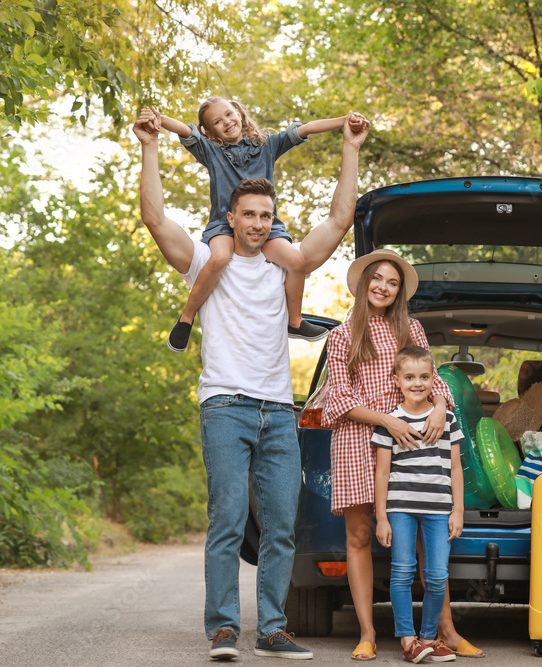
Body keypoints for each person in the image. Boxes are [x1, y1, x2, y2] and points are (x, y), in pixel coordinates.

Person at [133, 108, 370, 661]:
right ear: (231, 217)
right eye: (249, 215)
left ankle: (271, 630)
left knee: (282, 528)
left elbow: (339, 220)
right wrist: (149, 147)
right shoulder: (203, 264)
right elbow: (155, 218)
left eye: (267, 214)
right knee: (228, 518)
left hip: (279, 413)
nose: (259, 223)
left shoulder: (285, 266)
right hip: (226, 407)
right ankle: (222, 630)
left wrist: (350, 148)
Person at [322, 248, 485, 661]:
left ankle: (444, 630)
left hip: (413, 442)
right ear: (363, 284)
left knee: (424, 540)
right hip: (359, 440)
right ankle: (368, 633)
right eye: (377, 279)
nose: (383, 286)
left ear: (400, 292)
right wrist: (387, 421)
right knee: (359, 536)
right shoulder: (342, 335)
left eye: (392, 282)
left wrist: (441, 408)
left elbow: (437, 381)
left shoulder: (411, 328)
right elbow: (337, 399)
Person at [152, 98, 366, 352]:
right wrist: (159, 120)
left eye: (229, 114)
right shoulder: (211, 151)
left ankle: (295, 321)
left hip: (267, 227)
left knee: (296, 262)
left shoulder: (267, 145)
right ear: (210, 132)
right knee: (219, 258)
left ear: (240, 114)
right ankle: (186, 318)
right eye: (217, 122)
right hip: (223, 224)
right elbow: (186, 131)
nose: (227, 122)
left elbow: (305, 129)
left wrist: (344, 121)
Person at [373, 346, 464, 663]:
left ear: (432, 380)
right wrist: (381, 517)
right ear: (396, 379)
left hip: (439, 510)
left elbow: (455, 468)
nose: (417, 383)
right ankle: (408, 640)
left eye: (424, 376)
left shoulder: (447, 419)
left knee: (438, 575)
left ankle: (428, 637)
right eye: (409, 377)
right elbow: (382, 471)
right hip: (400, 509)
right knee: (402, 572)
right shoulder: (390, 422)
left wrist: (458, 511)